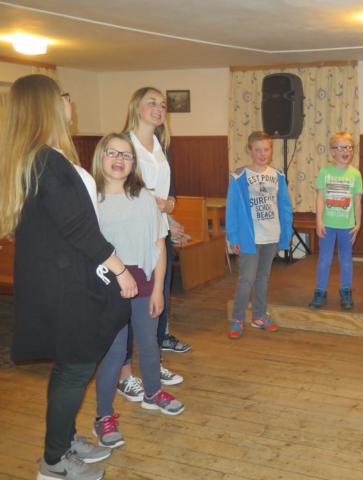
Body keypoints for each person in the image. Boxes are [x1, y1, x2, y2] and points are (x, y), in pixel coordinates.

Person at [0, 74, 135, 480]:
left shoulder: (42, 157)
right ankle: (54, 462)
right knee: (76, 366)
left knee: (70, 367)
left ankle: (63, 440)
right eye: (63, 97)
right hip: (66, 285)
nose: (69, 102)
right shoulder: (45, 160)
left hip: (64, 278)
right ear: (47, 105)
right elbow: (79, 228)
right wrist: (120, 270)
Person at [92, 133, 185, 448]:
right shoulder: (91, 199)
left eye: (126, 155)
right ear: (100, 156)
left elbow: (158, 245)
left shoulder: (144, 197)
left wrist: (158, 289)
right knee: (115, 352)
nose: (119, 160)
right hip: (109, 287)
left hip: (145, 282)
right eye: (113, 153)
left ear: (133, 164)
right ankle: (104, 415)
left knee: (148, 344)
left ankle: (152, 392)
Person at [117, 87, 187, 402]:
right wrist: (152, 204)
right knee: (129, 307)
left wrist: (170, 210)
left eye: (163, 104)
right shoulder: (123, 144)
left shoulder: (162, 145)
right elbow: (114, 190)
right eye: (152, 103)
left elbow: (168, 192)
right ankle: (124, 375)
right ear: (136, 107)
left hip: (158, 233)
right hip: (130, 236)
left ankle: (153, 364)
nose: (159, 108)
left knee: (159, 303)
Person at [226, 131, 293, 339]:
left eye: (266, 149)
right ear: (249, 150)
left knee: (263, 277)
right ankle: (237, 319)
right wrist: (233, 237)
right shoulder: (239, 176)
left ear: (271, 151)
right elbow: (232, 209)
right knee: (246, 279)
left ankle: (259, 316)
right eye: (258, 150)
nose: (262, 154)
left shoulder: (278, 176)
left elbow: (284, 207)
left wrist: (287, 232)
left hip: (271, 236)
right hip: (250, 238)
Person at [308, 132, 363, 310]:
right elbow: (320, 198)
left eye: (348, 147)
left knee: (346, 259)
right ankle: (320, 292)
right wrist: (319, 221)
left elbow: (357, 201)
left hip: (347, 226)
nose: (345, 151)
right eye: (340, 148)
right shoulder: (325, 172)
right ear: (332, 152)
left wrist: (358, 224)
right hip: (327, 225)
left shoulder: (355, 174)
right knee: (324, 259)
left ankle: (346, 291)